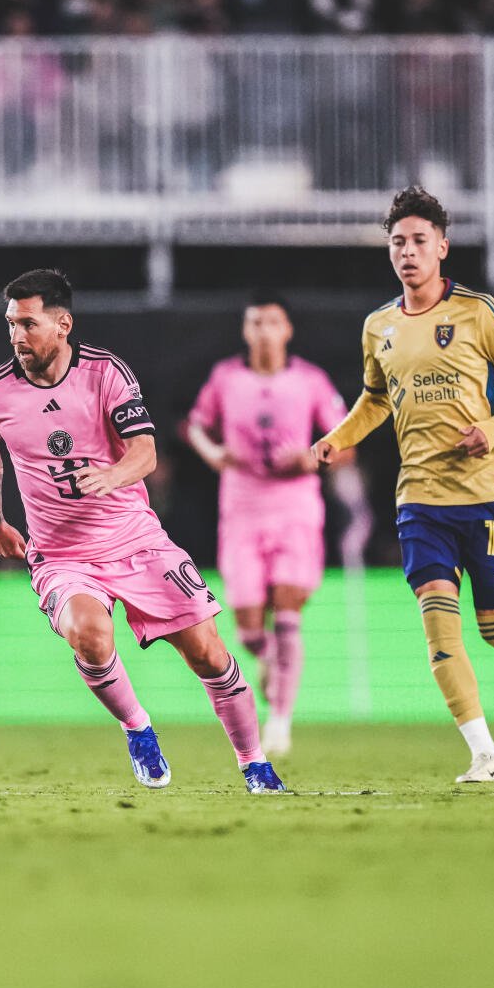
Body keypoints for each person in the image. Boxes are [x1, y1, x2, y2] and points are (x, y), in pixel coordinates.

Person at [0, 269, 285, 793]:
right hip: (62, 555)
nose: (17, 337)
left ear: (63, 323)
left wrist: (112, 475)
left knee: (207, 652)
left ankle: (254, 762)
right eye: (10, 325)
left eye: (28, 323)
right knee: (88, 634)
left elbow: (145, 449)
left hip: (137, 539)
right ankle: (138, 729)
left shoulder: (105, 373)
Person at [310, 187, 494, 784]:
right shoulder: (378, 325)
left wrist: (493, 426)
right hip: (420, 501)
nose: (408, 252)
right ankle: (486, 755)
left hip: (487, 491)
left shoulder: (479, 312)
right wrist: (338, 439)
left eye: (419, 242)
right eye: (398, 243)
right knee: (439, 626)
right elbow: (376, 400)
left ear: (443, 248)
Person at [183, 294, 347, 758]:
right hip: (241, 511)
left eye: (273, 322)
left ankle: (280, 720)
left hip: (295, 509)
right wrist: (214, 453)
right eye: (256, 322)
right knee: (251, 629)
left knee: (289, 608)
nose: (264, 331)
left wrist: (312, 456)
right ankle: (272, 660)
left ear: (287, 329)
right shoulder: (225, 378)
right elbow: (196, 425)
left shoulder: (311, 380)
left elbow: (345, 440)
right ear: (245, 330)